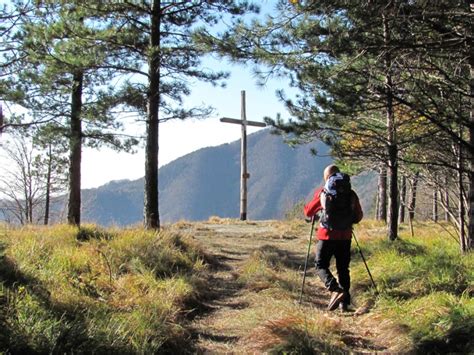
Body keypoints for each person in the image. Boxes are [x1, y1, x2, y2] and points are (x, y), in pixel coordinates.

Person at [304, 164, 363, 311]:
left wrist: (320, 212)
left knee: (321, 265)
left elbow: (308, 211)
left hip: (327, 235)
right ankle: (344, 303)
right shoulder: (351, 194)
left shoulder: (323, 192)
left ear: (327, 177)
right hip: (345, 236)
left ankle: (335, 290)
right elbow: (359, 216)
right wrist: (347, 220)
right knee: (343, 268)